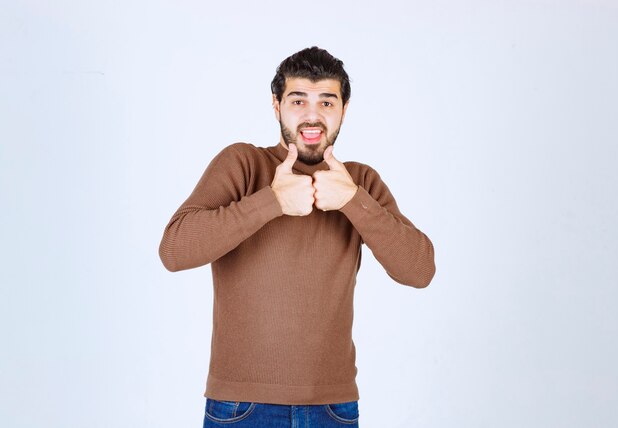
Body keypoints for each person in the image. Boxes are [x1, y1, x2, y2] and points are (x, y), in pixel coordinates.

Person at [158, 46, 436, 427]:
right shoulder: (243, 163)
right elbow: (174, 249)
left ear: (344, 110)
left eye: (327, 102)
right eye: (298, 100)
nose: (312, 114)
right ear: (276, 106)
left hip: (333, 409)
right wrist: (271, 201)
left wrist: (353, 200)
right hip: (242, 408)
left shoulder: (359, 181)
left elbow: (419, 270)